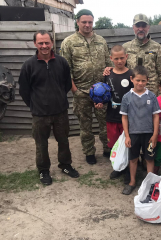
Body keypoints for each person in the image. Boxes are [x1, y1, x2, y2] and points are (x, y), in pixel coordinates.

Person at [19, 30, 79, 186]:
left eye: (47, 42)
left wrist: (58, 98)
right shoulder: (28, 65)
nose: (44, 46)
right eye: (41, 43)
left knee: (64, 141)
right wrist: (35, 105)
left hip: (60, 112)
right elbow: (24, 90)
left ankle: (65, 165)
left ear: (52, 43)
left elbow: (67, 84)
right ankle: (43, 170)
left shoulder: (62, 62)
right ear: (35, 44)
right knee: (41, 144)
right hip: (39, 114)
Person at [60, 9, 112, 165]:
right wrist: (74, 90)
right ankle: (89, 152)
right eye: (84, 22)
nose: (87, 25)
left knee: (105, 123)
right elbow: (65, 70)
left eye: (90, 22)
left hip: (102, 92)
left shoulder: (101, 41)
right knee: (85, 125)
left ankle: (108, 148)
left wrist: (108, 73)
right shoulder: (68, 42)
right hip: (82, 91)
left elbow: (109, 64)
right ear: (77, 22)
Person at [120, 66, 160, 195]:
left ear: (147, 80)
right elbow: (124, 117)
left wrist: (154, 135)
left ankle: (150, 184)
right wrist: (127, 136)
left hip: (148, 134)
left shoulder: (152, 96)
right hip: (133, 134)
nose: (140, 83)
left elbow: (156, 116)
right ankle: (132, 182)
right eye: (137, 80)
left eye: (143, 81)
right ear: (132, 79)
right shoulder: (126, 97)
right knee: (133, 159)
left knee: (149, 159)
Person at [96, 45, 133, 182]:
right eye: (116, 58)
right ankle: (118, 168)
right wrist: (100, 104)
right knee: (114, 145)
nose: (119, 61)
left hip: (128, 119)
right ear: (111, 58)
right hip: (111, 116)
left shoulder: (132, 75)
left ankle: (130, 169)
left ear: (126, 57)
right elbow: (104, 95)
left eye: (122, 58)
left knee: (128, 144)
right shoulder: (107, 75)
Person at [104, 14, 161, 94]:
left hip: (151, 92)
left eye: (143, 26)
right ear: (133, 27)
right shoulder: (126, 47)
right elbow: (118, 67)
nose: (140, 29)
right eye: (138, 26)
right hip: (130, 92)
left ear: (148, 27)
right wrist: (109, 69)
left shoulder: (157, 48)